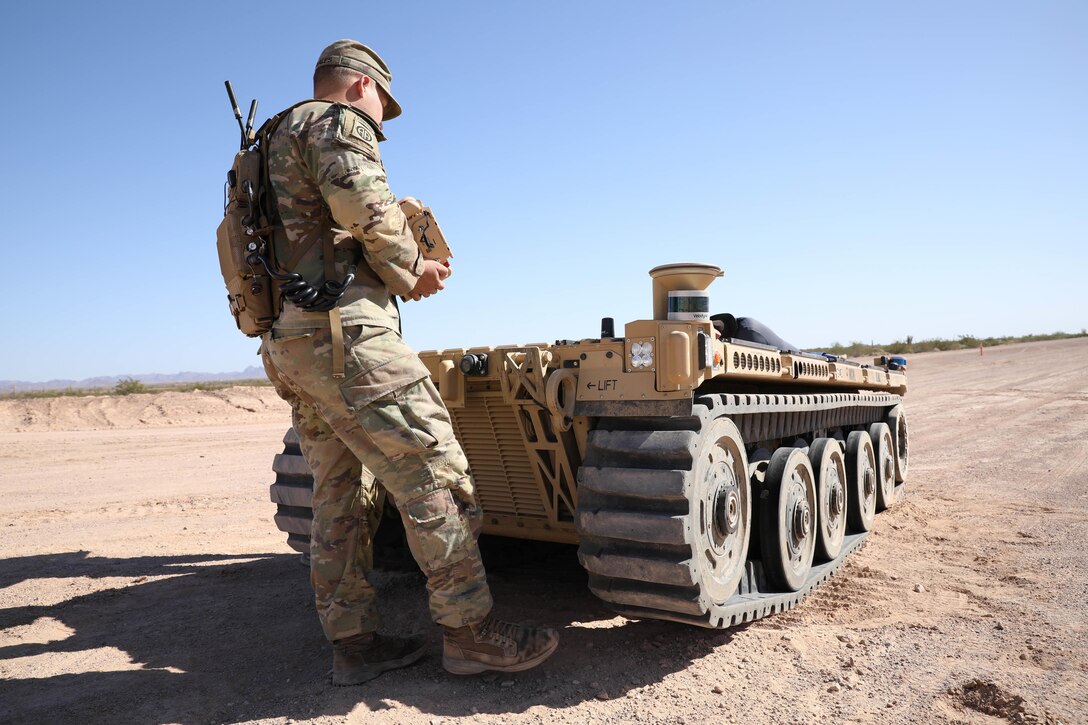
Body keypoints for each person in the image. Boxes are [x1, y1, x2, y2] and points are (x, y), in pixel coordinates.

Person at [259, 39, 559, 686]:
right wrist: (410, 268)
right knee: (435, 471)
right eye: (381, 109)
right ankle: (470, 633)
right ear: (363, 85)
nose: (378, 124)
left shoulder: (265, 144)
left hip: (288, 341)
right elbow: (363, 204)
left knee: (341, 493)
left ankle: (355, 644)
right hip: (348, 336)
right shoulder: (335, 121)